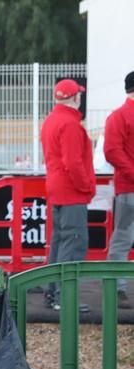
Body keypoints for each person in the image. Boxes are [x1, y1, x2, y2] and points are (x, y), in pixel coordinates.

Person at [41, 79, 95, 312]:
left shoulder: (51, 121)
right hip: (72, 190)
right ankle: (65, 296)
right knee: (73, 243)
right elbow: (73, 162)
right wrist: (86, 186)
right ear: (76, 97)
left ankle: (52, 292)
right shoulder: (71, 124)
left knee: (59, 243)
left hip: (56, 187)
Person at [104, 71, 134, 309]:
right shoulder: (120, 116)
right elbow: (112, 151)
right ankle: (117, 289)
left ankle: (118, 288)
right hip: (128, 188)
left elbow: (113, 151)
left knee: (122, 238)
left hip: (128, 188)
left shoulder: (118, 116)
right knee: (123, 238)